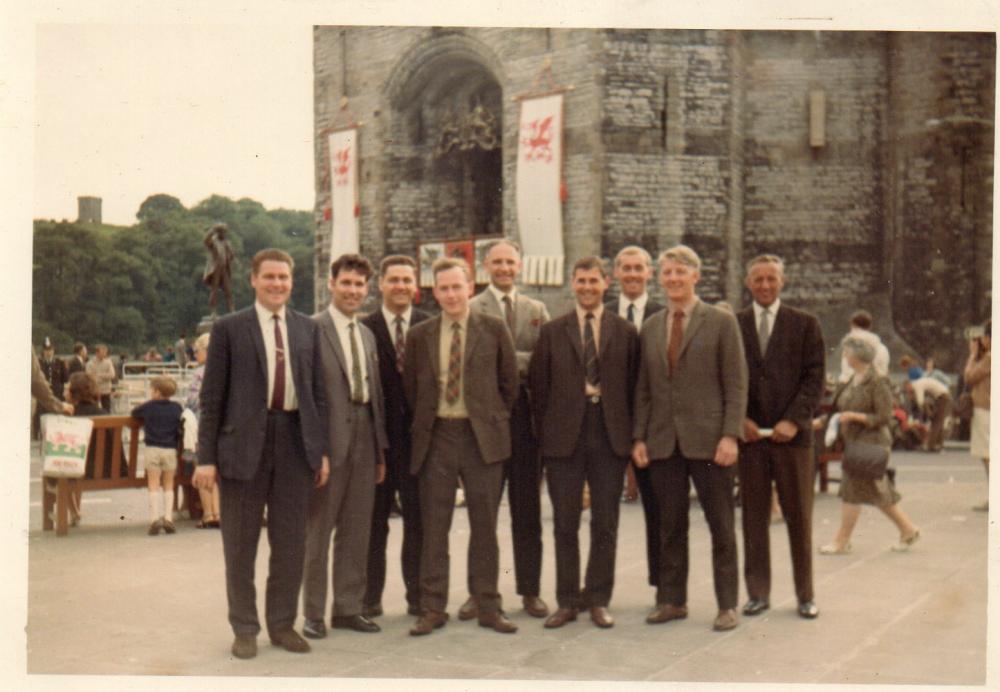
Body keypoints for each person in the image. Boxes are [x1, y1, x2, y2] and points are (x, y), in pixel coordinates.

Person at [194, 248, 330, 660]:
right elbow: (211, 398)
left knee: (290, 543)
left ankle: (283, 624)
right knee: (240, 544)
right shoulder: (229, 328)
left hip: (294, 441)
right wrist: (206, 458)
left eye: (284, 278)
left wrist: (319, 451)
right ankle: (245, 627)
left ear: (292, 282)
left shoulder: (308, 328)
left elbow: (318, 396)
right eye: (269, 277)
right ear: (253, 280)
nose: (277, 284)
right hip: (243, 447)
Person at [632, 244, 748, 632]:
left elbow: (735, 383)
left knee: (721, 525)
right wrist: (640, 437)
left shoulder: (719, 321)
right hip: (664, 441)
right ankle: (671, 599)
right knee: (669, 525)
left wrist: (730, 435)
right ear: (659, 278)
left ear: (696, 277)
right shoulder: (651, 327)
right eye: (667, 273)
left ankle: (727, 604)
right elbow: (644, 389)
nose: (674, 279)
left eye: (681, 272)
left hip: (710, 441)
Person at [404, 257, 519, 636]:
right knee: (434, 528)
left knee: (485, 526)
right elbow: (413, 390)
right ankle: (433, 607)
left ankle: (488, 604)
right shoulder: (420, 334)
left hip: (480, 438)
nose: (452, 294)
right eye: (444, 288)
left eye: (458, 286)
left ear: (470, 287)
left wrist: (487, 420)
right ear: (434, 292)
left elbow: (509, 386)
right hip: (437, 437)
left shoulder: (493, 327)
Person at [529, 256, 639, 629]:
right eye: (581, 281)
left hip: (608, 433)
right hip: (564, 437)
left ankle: (598, 598)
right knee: (564, 522)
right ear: (572, 284)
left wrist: (630, 437)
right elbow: (539, 390)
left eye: (594, 280)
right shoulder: (553, 331)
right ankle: (567, 600)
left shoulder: (624, 331)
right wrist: (546, 439)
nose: (587, 287)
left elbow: (634, 388)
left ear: (606, 283)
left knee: (605, 521)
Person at [302, 254, 389, 639]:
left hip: (365, 436)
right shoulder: (311, 330)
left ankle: (348, 607)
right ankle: (313, 613)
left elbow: (378, 396)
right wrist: (314, 450)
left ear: (366, 289)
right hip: (328, 440)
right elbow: (305, 396)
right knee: (319, 529)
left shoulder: (367, 334)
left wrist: (380, 449)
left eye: (359, 285)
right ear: (331, 285)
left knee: (357, 528)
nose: (353, 291)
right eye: (346, 283)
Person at [464, 239, 550, 620]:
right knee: (482, 513)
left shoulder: (536, 309)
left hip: (525, 424)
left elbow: (548, 359)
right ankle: (479, 591)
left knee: (527, 511)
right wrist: (515, 362)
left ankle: (529, 590)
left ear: (520, 266)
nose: (503, 268)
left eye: (509, 262)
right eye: (496, 262)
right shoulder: (471, 308)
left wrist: (502, 361)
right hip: (486, 424)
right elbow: (469, 363)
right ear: (486, 265)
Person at [736, 254, 824, 620]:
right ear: (748, 283)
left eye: (771, 279)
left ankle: (805, 595)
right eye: (758, 279)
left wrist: (794, 420)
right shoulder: (734, 324)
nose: (765, 286)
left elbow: (814, 378)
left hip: (793, 440)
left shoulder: (805, 324)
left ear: (782, 282)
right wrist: (739, 419)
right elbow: (726, 376)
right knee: (753, 517)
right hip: (752, 438)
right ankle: (758, 593)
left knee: (798, 516)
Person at [361, 255, 429, 618]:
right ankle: (370, 598)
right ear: (381, 285)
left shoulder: (428, 324)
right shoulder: (365, 328)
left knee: (418, 523)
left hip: (418, 444)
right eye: (394, 280)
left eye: (407, 280)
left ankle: (417, 596)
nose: (401, 286)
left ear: (415, 286)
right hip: (378, 444)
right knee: (374, 525)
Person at [819, 337, 920, 555]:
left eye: (846, 353)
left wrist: (854, 416)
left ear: (857, 356)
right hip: (855, 442)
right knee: (874, 489)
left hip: (871, 443)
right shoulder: (852, 380)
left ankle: (842, 540)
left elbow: (884, 416)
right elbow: (839, 407)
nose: (844, 356)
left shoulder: (877, 381)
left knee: (853, 489)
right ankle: (908, 529)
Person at [605, 245, 665, 582]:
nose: (631, 274)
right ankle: (601, 590)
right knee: (605, 513)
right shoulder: (603, 313)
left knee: (658, 508)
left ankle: (662, 585)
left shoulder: (663, 313)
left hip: (654, 428)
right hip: (611, 425)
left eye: (638, 268)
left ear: (649, 273)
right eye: (625, 268)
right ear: (616, 274)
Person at [131, 376, 184, 535]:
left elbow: (135, 413)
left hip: (153, 449)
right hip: (169, 450)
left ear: (157, 392)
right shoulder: (176, 407)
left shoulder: (149, 407)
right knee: (169, 484)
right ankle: (168, 518)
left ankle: (154, 519)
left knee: (153, 483)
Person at [185, 332, 220, 528]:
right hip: (225, 428)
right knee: (220, 471)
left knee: (204, 466)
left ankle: (208, 514)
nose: (195, 354)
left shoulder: (199, 373)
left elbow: (192, 400)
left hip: (204, 426)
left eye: (197, 350)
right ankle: (220, 513)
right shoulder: (228, 369)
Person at [964, 320, 991, 512]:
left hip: (985, 408)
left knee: (988, 455)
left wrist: (973, 355)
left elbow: (970, 377)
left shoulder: (990, 357)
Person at [838, 310, 889, 382]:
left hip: (854, 389)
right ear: (870, 326)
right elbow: (883, 373)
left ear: (853, 325)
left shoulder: (849, 348)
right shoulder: (882, 349)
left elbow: (846, 375)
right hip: (878, 389)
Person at [906, 375, 952, 452]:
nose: (909, 392)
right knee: (939, 421)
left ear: (909, 385)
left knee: (936, 422)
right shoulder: (919, 382)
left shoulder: (917, 385)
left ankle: (931, 445)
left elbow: (920, 401)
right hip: (942, 395)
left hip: (942, 396)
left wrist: (923, 412)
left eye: (908, 390)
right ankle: (938, 444)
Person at [203, 222, 236, 313]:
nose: (224, 234)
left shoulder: (226, 242)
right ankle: (213, 311)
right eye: (222, 232)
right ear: (218, 232)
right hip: (216, 269)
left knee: (228, 290)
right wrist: (212, 230)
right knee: (214, 291)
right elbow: (205, 240)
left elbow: (232, 255)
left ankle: (232, 310)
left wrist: (230, 253)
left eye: (225, 232)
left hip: (224, 268)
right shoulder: (213, 241)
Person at [85, 344, 116, 412]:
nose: (105, 354)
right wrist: (105, 377)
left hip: (106, 390)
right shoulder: (90, 363)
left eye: (106, 352)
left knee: (107, 409)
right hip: (95, 390)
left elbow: (112, 375)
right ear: (97, 353)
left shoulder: (108, 362)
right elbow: (89, 377)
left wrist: (99, 375)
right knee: (94, 409)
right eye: (103, 352)